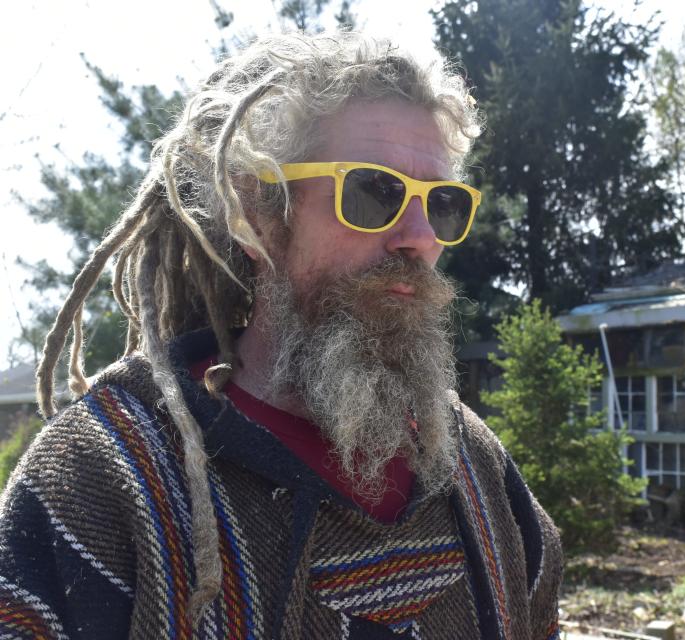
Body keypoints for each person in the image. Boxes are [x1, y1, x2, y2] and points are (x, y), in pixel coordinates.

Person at [0, 32, 562, 639]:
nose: (420, 236)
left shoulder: (475, 467)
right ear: (257, 214)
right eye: (375, 191)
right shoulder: (101, 478)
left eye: (445, 203)